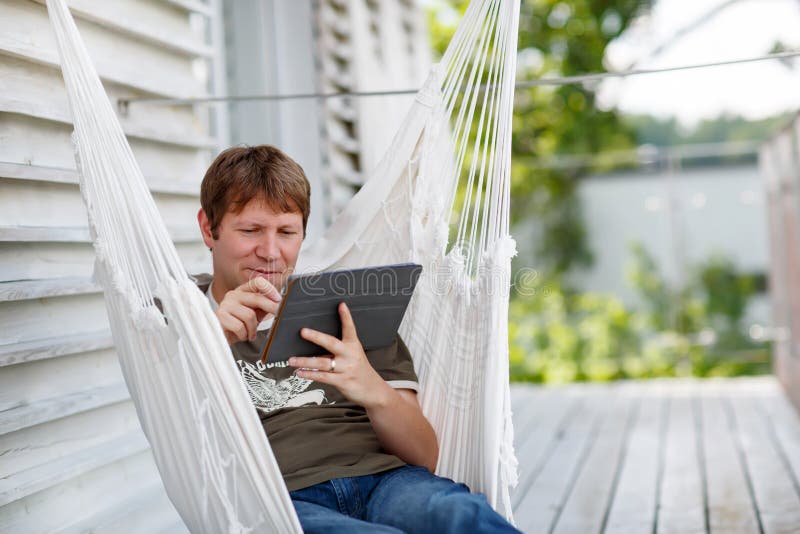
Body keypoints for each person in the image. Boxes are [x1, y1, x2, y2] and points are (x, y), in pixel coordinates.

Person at [195, 145, 519, 533]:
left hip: (390, 482)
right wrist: (211, 339)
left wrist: (372, 388)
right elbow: (175, 424)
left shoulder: (346, 304)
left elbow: (425, 456)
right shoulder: (182, 317)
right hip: (282, 502)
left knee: (462, 516)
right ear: (207, 228)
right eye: (250, 231)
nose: (270, 252)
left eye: (287, 232)